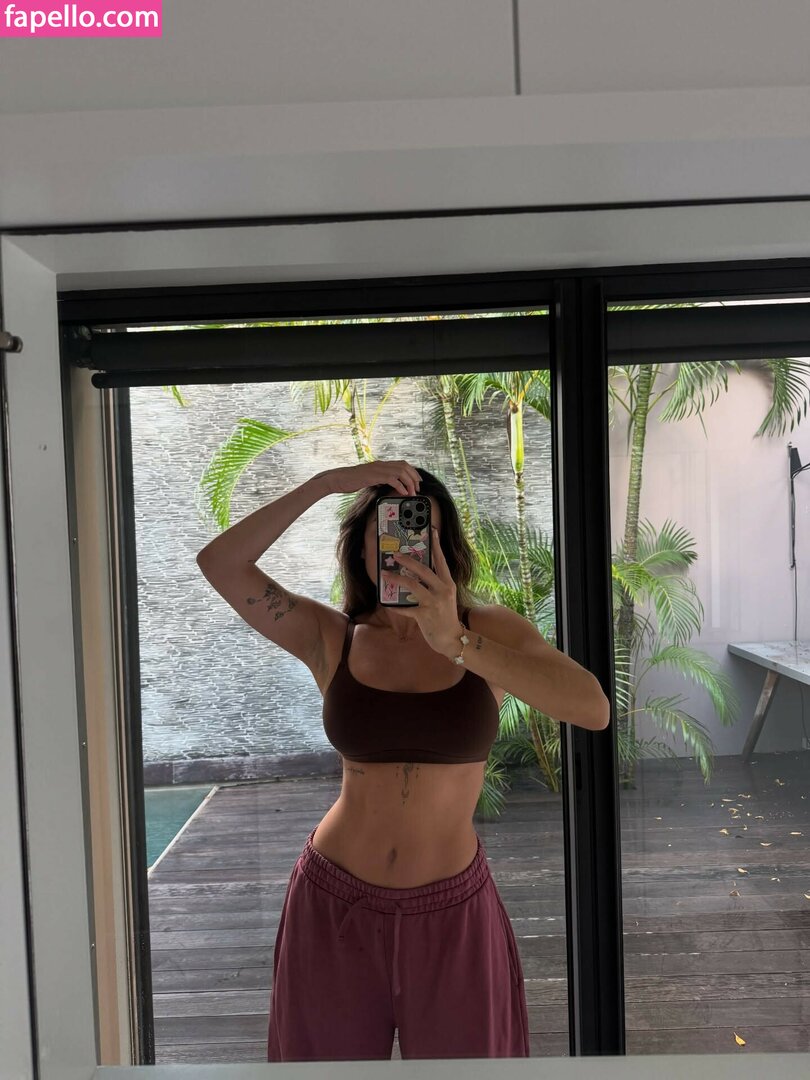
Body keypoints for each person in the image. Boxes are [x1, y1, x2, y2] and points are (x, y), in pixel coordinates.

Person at [196, 460, 610, 1062]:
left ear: (447, 548)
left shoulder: (487, 631)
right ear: (362, 549)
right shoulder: (330, 636)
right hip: (334, 905)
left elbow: (593, 708)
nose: (406, 546)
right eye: (387, 531)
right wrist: (326, 485)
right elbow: (220, 563)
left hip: (453, 913)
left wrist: (457, 643)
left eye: (423, 532)